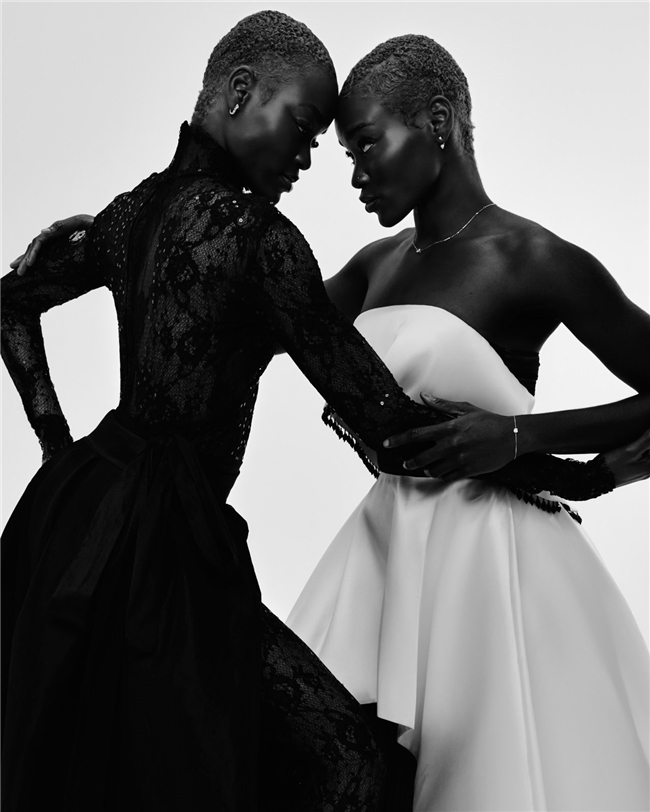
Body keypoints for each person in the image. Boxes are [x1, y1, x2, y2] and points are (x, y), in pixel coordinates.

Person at [4, 20, 638, 812]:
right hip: (212, 537)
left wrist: (59, 450)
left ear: (438, 122)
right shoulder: (293, 248)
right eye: (316, 136)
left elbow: (29, 301)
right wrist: (579, 478)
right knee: (323, 766)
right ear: (239, 93)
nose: (323, 166)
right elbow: (373, 413)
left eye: (351, 143)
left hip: (87, 513)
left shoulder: (134, 215)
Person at [285, 35, 650, 812]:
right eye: (348, 154)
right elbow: (256, 314)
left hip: (494, 566)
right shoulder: (376, 265)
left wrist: (519, 436)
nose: (355, 175)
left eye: (367, 145)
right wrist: (136, 233)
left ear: (438, 120)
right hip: (383, 556)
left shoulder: (532, 259)